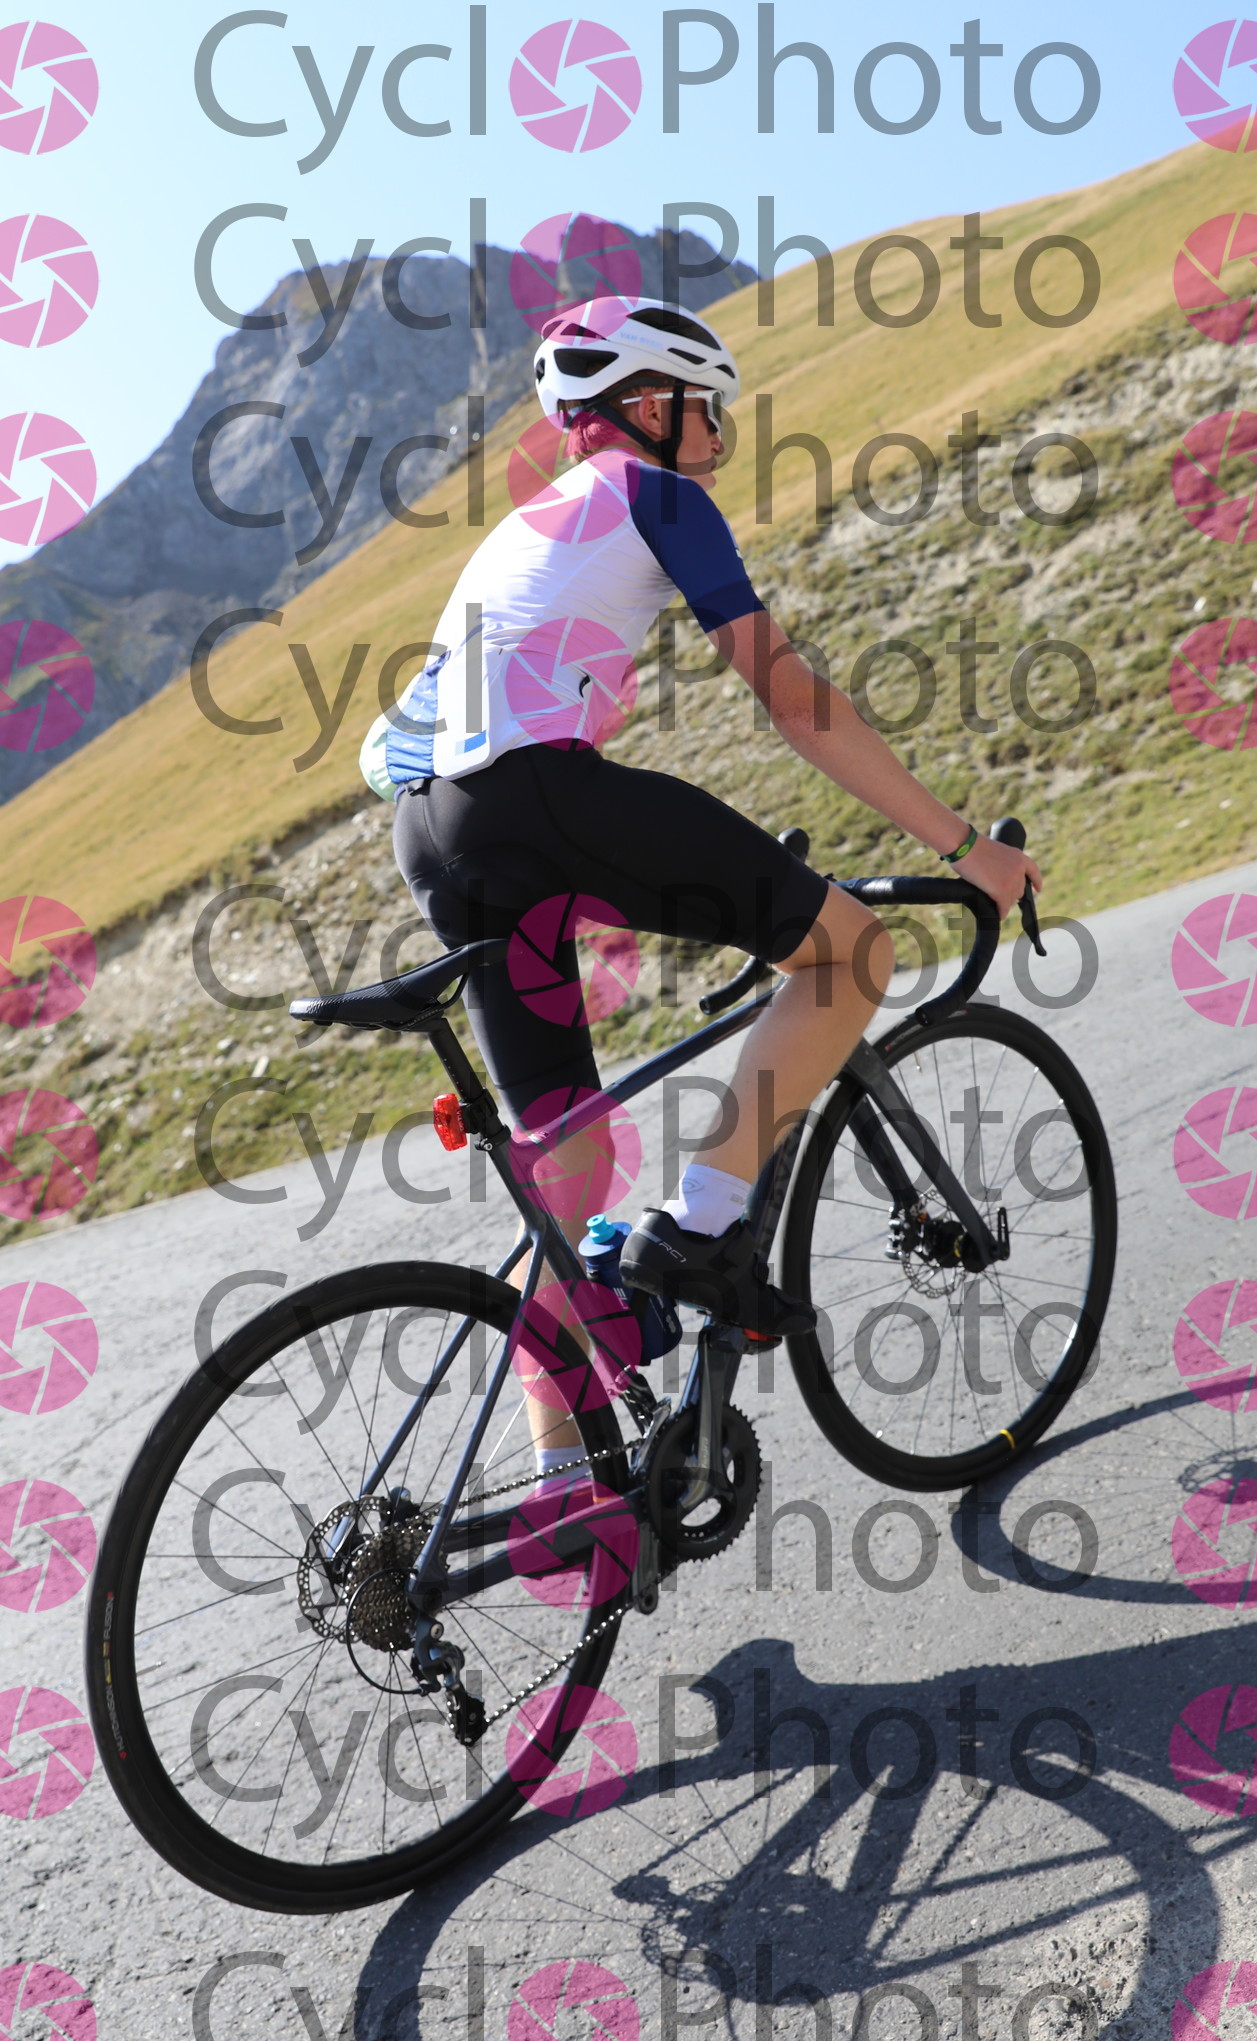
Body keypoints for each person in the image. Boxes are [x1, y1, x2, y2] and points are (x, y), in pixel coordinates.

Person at [360, 297, 1040, 1475]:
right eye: (704, 409)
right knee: (851, 953)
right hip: (533, 800)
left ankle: (565, 1497)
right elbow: (792, 698)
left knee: (567, 1169)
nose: (718, 435)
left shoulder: (523, 529)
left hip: (430, 828)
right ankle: (697, 1229)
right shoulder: (655, 494)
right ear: (645, 407)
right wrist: (961, 844)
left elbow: (411, 736)